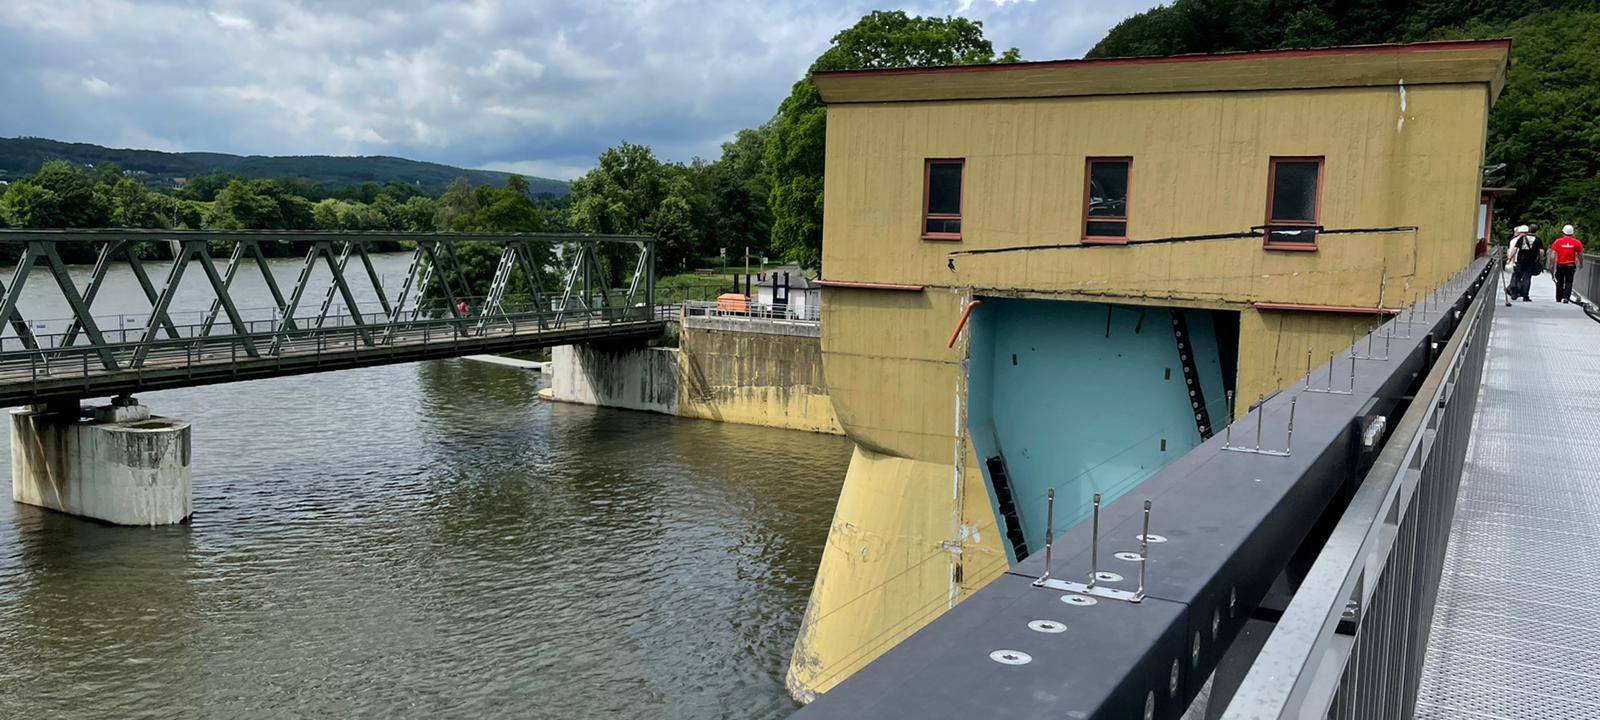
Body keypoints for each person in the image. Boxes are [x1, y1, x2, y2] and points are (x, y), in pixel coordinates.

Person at [1505, 224, 1543, 304]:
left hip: (1520, 261)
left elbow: (1515, 249)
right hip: (1531, 261)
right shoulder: (1537, 239)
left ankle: (1515, 292)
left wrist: (1510, 258)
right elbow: (1541, 251)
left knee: (1517, 277)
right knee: (1527, 278)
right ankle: (1525, 296)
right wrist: (1540, 260)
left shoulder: (1522, 238)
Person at [1550, 224, 1584, 303]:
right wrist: (1581, 263)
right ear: (1572, 233)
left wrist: (1551, 265)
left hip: (1560, 265)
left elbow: (1553, 254)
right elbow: (1580, 255)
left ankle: (1559, 298)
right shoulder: (1577, 242)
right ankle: (1566, 298)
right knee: (1569, 281)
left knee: (1560, 281)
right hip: (1570, 265)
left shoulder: (1558, 241)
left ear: (1563, 232)